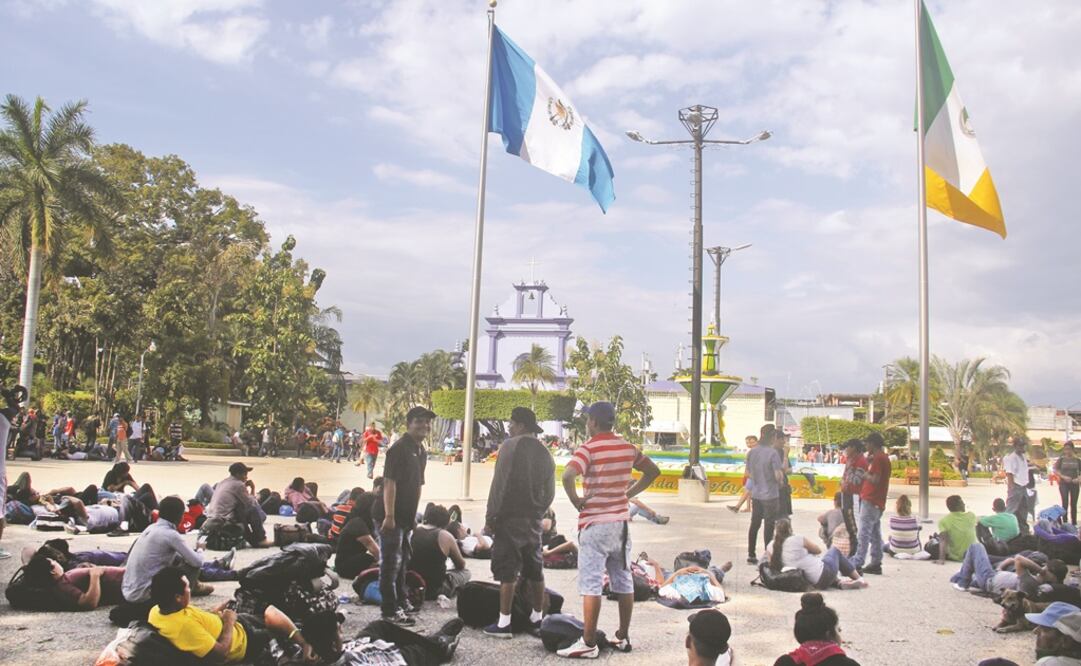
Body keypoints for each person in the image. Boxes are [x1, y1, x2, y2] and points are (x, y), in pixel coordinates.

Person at [559, 401, 661, 658]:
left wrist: (576, 501)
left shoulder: (588, 448)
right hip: (620, 525)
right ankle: (623, 637)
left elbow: (568, 475)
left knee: (592, 584)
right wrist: (628, 494)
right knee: (623, 579)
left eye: (587, 421)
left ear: (593, 422)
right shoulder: (628, 447)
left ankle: (588, 642)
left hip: (595, 524)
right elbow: (653, 471)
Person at [483, 406, 555, 639]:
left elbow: (499, 485)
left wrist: (490, 516)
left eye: (511, 423)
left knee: (507, 569)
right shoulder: (545, 452)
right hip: (533, 518)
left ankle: (504, 623)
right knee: (535, 568)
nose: (509, 427)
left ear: (521, 424)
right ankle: (537, 617)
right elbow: (550, 492)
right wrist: (538, 510)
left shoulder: (510, 447)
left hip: (509, 517)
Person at [148, 566, 315, 663]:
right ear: (177, 598)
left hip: (236, 625)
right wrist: (228, 622)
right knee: (279, 624)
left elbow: (198, 622)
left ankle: (301, 632)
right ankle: (306, 642)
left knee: (272, 613)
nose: (190, 590)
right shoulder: (182, 627)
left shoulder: (158, 610)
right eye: (187, 588)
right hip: (245, 642)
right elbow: (220, 654)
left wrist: (216, 612)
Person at [373, 406, 434, 626]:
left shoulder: (421, 451)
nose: (424, 426)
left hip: (406, 517)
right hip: (389, 515)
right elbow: (390, 482)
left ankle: (400, 600)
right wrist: (390, 516)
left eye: (427, 422)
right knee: (390, 563)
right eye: (419, 421)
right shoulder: (398, 449)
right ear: (408, 424)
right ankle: (389, 610)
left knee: (403, 561)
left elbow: (418, 485)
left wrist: (412, 518)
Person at [118, 496, 214, 624]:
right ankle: (181, 604)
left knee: (179, 561)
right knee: (192, 566)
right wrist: (200, 549)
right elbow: (197, 562)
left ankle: (197, 586)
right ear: (179, 516)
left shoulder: (150, 528)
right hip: (145, 596)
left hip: (129, 593)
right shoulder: (171, 535)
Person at [767, 518, 867, 590]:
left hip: (811, 582)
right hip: (824, 574)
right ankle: (859, 578)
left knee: (821, 563)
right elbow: (817, 550)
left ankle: (839, 583)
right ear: (790, 529)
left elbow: (771, 564)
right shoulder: (796, 539)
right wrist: (806, 551)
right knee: (834, 551)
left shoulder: (770, 546)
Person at [773, 592, 861, 666]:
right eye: (838, 629)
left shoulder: (785, 662)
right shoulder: (847, 664)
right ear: (829, 633)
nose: (839, 633)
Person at [949, 543, 1067, 595]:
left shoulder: (1031, 583)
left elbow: (1019, 559)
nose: (1044, 568)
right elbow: (1015, 560)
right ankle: (963, 577)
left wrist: (1041, 571)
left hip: (989, 579)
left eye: (1048, 568)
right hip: (994, 576)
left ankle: (963, 583)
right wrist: (1000, 568)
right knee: (956, 576)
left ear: (1053, 577)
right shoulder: (1033, 580)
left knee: (975, 547)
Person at [204, 462, 273, 547]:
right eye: (245, 474)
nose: (246, 477)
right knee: (252, 510)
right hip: (223, 520)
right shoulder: (238, 485)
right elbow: (251, 504)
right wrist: (252, 488)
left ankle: (253, 539)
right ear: (238, 474)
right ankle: (261, 539)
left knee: (240, 509)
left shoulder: (222, 482)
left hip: (212, 518)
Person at [411, 504, 471, 600]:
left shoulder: (413, 531)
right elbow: (461, 564)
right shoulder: (445, 535)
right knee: (466, 573)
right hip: (435, 589)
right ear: (446, 523)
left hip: (413, 585)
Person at [23, 554, 125, 610]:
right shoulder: (62, 585)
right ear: (52, 571)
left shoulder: (63, 580)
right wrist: (95, 576)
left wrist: (82, 570)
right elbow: (89, 603)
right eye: (54, 562)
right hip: (124, 580)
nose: (57, 562)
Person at [850, 432, 890, 575]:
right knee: (874, 532)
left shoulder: (879, 459)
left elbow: (875, 479)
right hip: (877, 500)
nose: (866, 446)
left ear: (873, 443)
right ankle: (875, 561)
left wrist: (864, 473)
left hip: (871, 498)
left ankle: (858, 561)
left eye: (867, 443)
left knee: (864, 532)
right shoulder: (882, 457)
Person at [746, 424, 784, 565]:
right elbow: (778, 474)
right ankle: (767, 555)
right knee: (769, 525)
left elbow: (748, 472)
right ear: (773, 436)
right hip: (771, 495)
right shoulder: (773, 453)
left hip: (756, 494)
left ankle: (751, 554)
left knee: (754, 524)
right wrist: (780, 483)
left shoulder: (752, 452)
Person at [640, 553, 731, 605]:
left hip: (675, 578)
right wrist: (706, 572)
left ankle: (718, 570)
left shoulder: (674, 592)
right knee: (712, 572)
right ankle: (720, 570)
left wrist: (677, 573)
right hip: (698, 576)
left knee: (666, 573)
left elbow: (661, 587)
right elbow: (721, 592)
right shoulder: (708, 591)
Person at [334, 501, 381, 579]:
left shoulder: (361, 522)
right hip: (344, 567)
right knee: (368, 558)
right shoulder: (358, 524)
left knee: (373, 559)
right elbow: (373, 548)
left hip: (347, 562)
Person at [839, 438, 867, 558]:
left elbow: (857, 480)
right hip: (846, 494)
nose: (846, 450)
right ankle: (851, 547)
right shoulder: (850, 459)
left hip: (854, 495)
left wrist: (846, 480)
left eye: (848, 447)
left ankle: (855, 549)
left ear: (854, 448)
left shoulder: (861, 461)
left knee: (853, 522)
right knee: (847, 521)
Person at [935, 495, 979, 564]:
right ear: (958, 506)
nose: (964, 504)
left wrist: (941, 559)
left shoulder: (943, 521)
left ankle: (935, 538)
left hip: (955, 557)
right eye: (962, 503)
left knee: (932, 544)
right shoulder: (971, 515)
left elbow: (943, 540)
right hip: (972, 555)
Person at [1005, 436, 1032, 534]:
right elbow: (1009, 473)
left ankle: (1023, 530)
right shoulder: (1011, 458)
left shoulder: (1023, 457)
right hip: (1016, 486)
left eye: (1023, 445)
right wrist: (1011, 487)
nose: (1022, 448)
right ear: (1015, 446)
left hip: (1024, 486)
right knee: (1011, 509)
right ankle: (1006, 528)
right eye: (1020, 446)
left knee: (1023, 509)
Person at [887, 495, 927, 559]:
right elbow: (920, 528)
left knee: (886, 545)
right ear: (910, 506)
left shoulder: (892, 519)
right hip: (913, 550)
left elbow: (891, 535)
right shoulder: (916, 519)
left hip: (895, 550)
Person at [728, 435, 758, 513]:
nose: (749, 444)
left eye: (752, 442)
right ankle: (747, 507)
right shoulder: (751, 452)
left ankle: (738, 507)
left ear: (756, 442)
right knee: (748, 491)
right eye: (747, 443)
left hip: (753, 475)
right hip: (750, 475)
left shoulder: (755, 452)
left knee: (747, 491)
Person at [1056, 442, 1081, 526]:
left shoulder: (1077, 460)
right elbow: (1056, 470)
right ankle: (1065, 522)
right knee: (1065, 502)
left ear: (1073, 449)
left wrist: (1078, 479)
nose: (1067, 451)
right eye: (1066, 449)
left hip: (1074, 483)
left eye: (1069, 449)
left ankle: (1074, 522)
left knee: (1073, 503)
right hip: (1064, 483)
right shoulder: (1061, 460)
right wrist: (1063, 477)